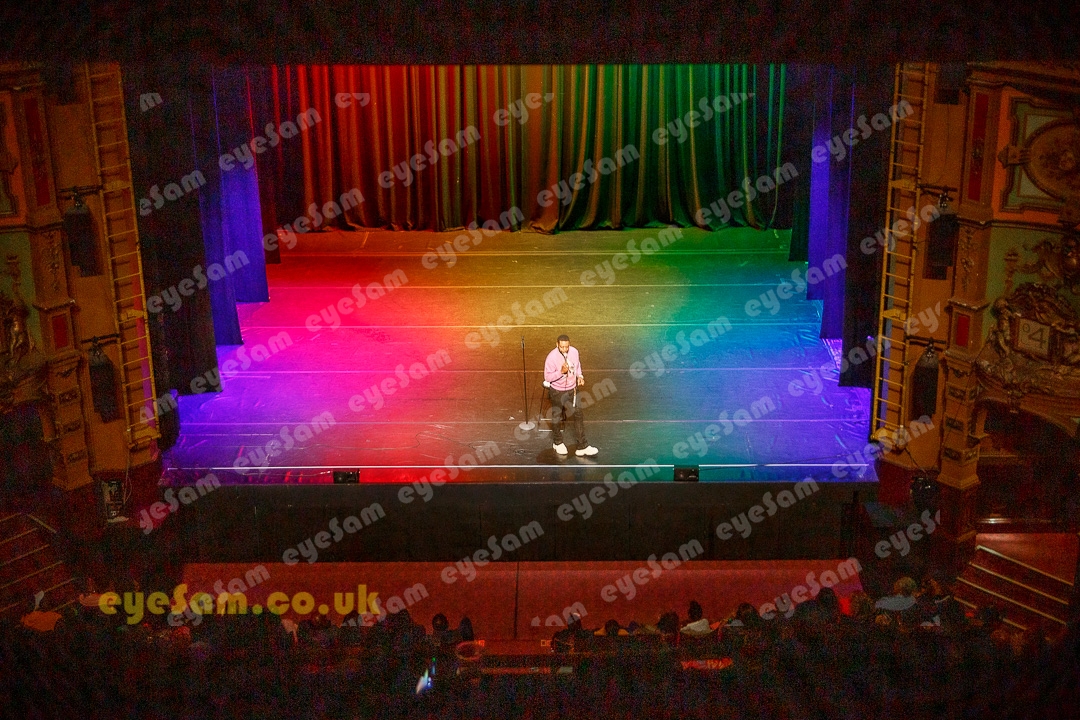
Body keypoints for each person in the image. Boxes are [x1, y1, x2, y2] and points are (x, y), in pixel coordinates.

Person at [544, 334, 598, 456]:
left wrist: (580, 376)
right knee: (557, 416)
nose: (564, 349)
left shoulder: (574, 352)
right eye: (562, 347)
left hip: (572, 390)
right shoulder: (551, 357)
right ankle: (557, 442)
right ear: (557, 345)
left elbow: (577, 366)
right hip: (557, 391)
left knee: (578, 415)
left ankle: (582, 446)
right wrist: (561, 372)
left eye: (566, 347)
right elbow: (547, 377)